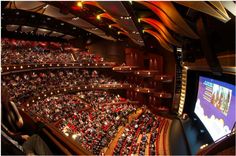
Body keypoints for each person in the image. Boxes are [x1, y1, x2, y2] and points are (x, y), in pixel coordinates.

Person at [1, 86, 52, 155]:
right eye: (6, 94)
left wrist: (19, 122)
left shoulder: (11, 104)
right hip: (15, 134)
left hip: (19, 129)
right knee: (35, 137)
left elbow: (19, 118)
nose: (8, 95)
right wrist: (19, 136)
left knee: (40, 128)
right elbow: (7, 131)